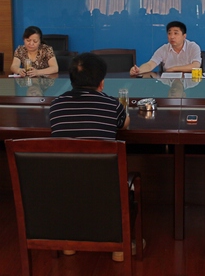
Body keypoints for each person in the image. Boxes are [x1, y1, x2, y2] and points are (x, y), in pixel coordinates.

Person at [49, 52, 131, 260]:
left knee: (74, 180)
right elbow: (124, 124)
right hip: (104, 185)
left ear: (71, 80)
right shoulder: (112, 105)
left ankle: (70, 243)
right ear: (101, 83)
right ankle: (118, 247)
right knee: (109, 180)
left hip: (64, 184)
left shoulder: (56, 105)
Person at [129, 21, 201, 75]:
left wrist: (174, 69)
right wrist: (139, 70)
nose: (172, 37)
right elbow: (150, 64)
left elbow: (196, 66)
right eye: (169, 33)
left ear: (184, 36)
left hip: (189, 84)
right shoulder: (164, 49)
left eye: (176, 33)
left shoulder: (193, 47)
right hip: (168, 84)